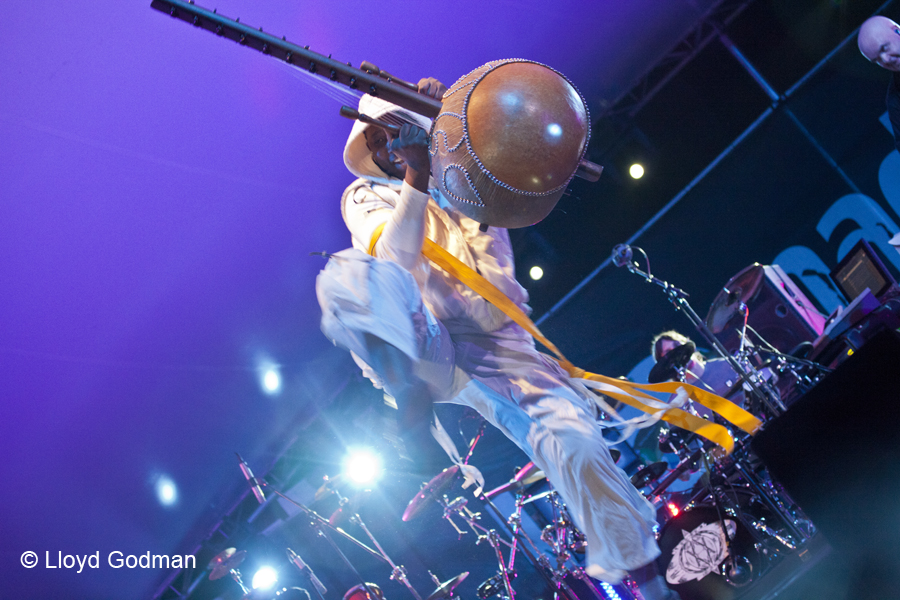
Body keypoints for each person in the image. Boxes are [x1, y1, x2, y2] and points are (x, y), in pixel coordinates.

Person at [315, 80, 680, 599]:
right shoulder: (366, 194)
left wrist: (462, 119)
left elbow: (525, 167)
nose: (386, 147)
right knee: (347, 273)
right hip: (429, 339)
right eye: (377, 139)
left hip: (501, 343)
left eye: (395, 133)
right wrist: (418, 172)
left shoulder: (467, 175)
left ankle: (651, 582)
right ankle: (402, 378)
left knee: (575, 445)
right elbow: (395, 257)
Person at [858, 15, 900, 151]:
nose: (886, 60)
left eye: (884, 49)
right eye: (877, 60)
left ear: (897, 31)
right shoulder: (896, 101)